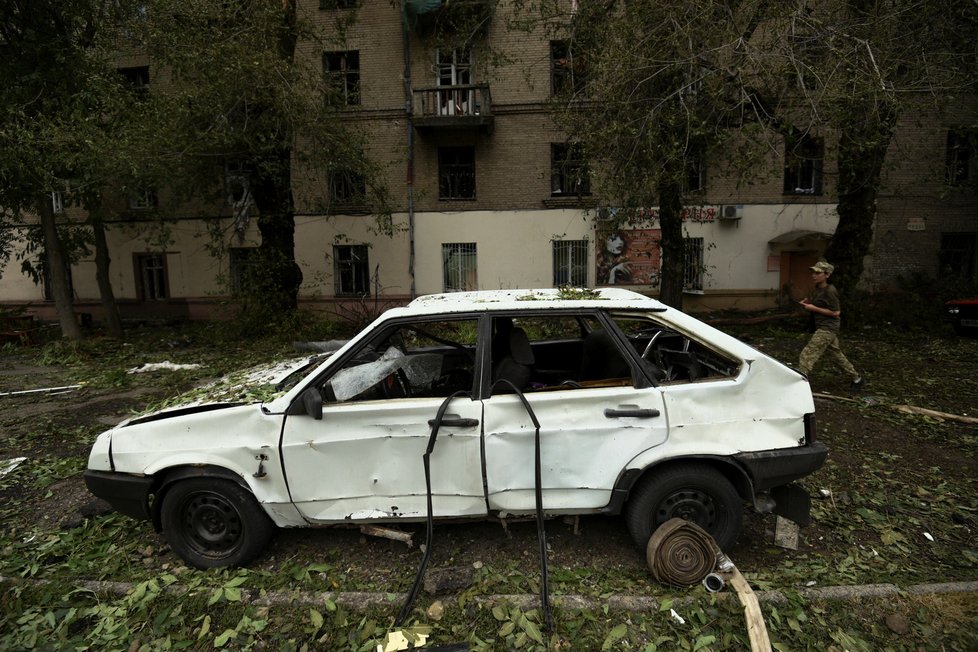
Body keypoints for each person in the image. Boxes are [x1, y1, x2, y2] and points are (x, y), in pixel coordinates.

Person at [797, 260, 864, 389]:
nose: (814, 275)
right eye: (813, 272)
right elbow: (819, 303)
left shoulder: (830, 291)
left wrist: (813, 308)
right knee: (836, 355)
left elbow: (836, 312)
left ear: (827, 275)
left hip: (828, 328)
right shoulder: (818, 288)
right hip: (824, 327)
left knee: (807, 355)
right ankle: (857, 379)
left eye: (818, 273)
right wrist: (807, 302)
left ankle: (799, 384)